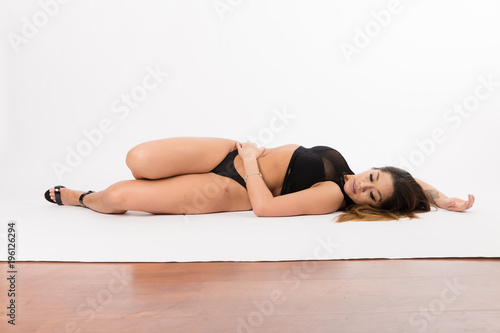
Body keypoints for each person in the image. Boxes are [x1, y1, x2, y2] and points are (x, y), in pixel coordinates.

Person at [44, 137, 475, 221]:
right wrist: (443, 197)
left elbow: (264, 207)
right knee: (137, 158)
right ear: (373, 167)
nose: (364, 185)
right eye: (373, 176)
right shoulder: (346, 166)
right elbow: (407, 181)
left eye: (372, 195)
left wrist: (249, 161)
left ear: (369, 206)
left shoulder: (329, 196)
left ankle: (85, 198)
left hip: (232, 186)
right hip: (228, 150)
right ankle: (96, 195)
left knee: (119, 195)